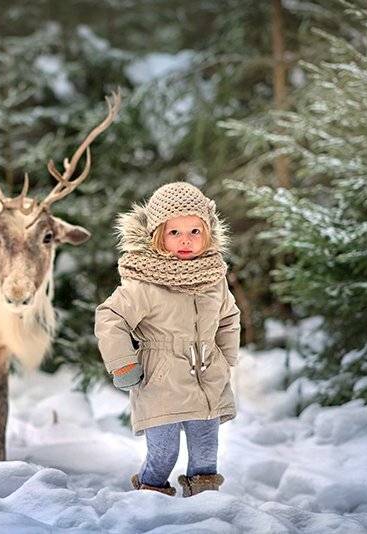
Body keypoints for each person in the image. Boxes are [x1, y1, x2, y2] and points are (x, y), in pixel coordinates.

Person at [94, 181, 241, 497]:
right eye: (174, 232)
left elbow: (229, 318)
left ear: (209, 233)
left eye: (195, 231)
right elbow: (110, 318)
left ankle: (206, 508)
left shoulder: (214, 279)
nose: (186, 240)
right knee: (164, 454)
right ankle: (150, 500)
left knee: (206, 454)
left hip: (207, 379)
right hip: (161, 381)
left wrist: (226, 357)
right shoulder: (144, 284)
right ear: (156, 234)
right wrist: (123, 363)